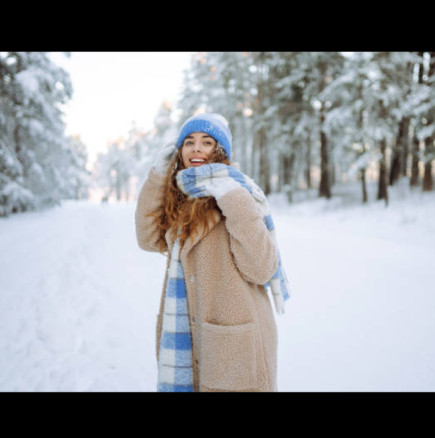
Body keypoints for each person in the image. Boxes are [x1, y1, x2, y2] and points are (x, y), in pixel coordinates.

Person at [135, 113, 288, 392]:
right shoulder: (180, 200)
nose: (196, 148)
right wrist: (158, 177)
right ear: (179, 152)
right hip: (192, 336)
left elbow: (262, 268)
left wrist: (231, 198)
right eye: (189, 142)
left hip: (235, 342)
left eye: (206, 142)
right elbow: (147, 239)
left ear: (219, 152)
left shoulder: (240, 193)